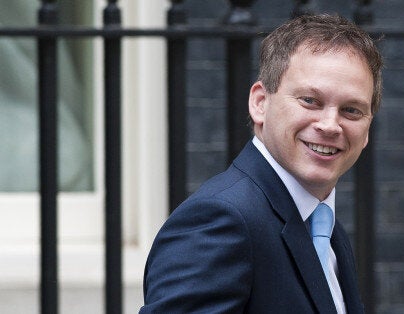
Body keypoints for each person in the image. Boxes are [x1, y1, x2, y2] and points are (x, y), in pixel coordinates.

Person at [140, 13, 383, 313]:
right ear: (260, 103)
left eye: (351, 110)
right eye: (310, 101)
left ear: (368, 128)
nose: (330, 125)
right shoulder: (220, 221)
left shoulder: (327, 230)